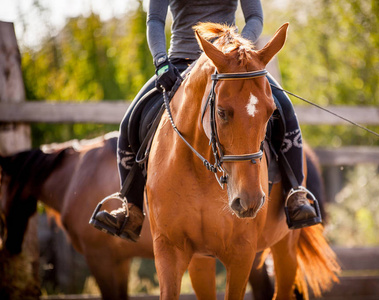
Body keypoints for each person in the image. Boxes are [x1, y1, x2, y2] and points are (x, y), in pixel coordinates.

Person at [90, 0, 319, 242]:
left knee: (284, 108)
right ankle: (132, 208)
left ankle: (296, 193)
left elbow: (255, 17)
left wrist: (237, 49)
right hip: (180, 63)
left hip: (230, 64)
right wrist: (160, 63)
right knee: (130, 120)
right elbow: (155, 20)